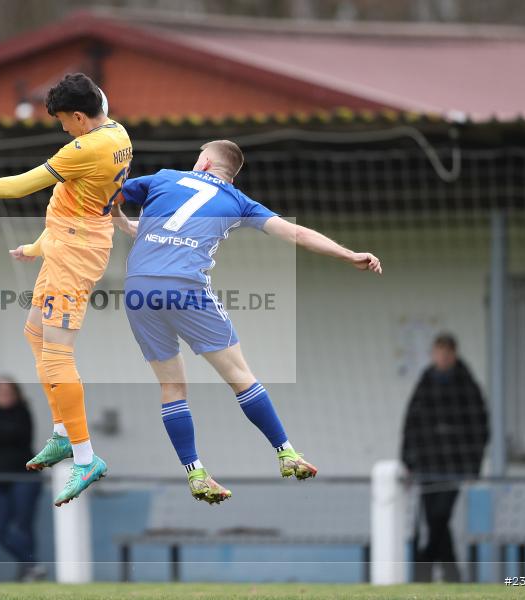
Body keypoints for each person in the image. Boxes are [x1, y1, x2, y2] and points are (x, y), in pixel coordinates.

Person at [106, 140, 382, 503]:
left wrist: (121, 221)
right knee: (240, 376)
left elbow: (110, 195)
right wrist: (349, 255)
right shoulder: (238, 201)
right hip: (186, 288)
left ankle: (195, 472)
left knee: (172, 388)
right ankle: (286, 453)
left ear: (203, 162)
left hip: (139, 289)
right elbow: (296, 234)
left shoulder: (164, 178)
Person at [0, 72, 132, 506]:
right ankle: (63, 433)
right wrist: (40, 245)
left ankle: (85, 457)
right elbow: (80, 201)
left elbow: (19, 185)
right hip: (67, 243)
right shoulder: (116, 131)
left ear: (80, 117)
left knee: (59, 353)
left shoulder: (84, 148)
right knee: (35, 333)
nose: (62, 127)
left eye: (64, 119)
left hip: (75, 254)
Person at [401, 333, 489, 582]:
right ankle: (452, 575)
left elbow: (480, 428)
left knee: (440, 516)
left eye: (447, 353)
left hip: (455, 466)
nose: (443, 357)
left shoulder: (467, 386)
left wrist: (473, 465)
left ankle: (424, 566)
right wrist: (408, 461)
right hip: (428, 465)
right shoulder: (425, 384)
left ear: (454, 354)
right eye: (439, 352)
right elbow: (411, 424)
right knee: (433, 519)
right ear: (433, 354)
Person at [0, 378, 44, 582]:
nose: (4, 395)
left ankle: (28, 570)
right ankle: (30, 563)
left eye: (8, 391)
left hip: (24, 479)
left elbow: (16, 437)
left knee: (23, 526)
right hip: (0, 482)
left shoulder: (22, 413)